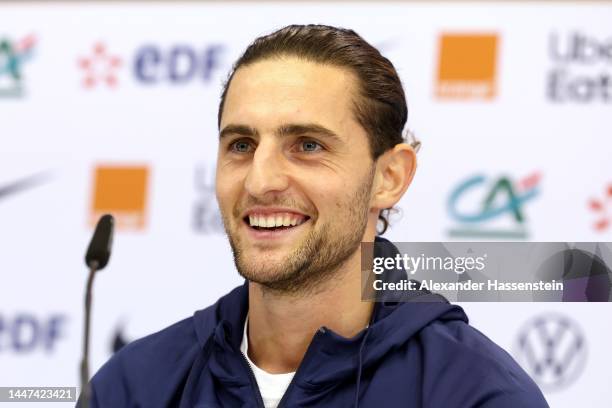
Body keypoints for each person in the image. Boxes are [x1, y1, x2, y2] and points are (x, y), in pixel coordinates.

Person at [80, 25, 549, 407]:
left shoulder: (476, 395)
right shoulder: (133, 388)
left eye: (307, 146)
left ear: (389, 176)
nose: (260, 182)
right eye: (241, 145)